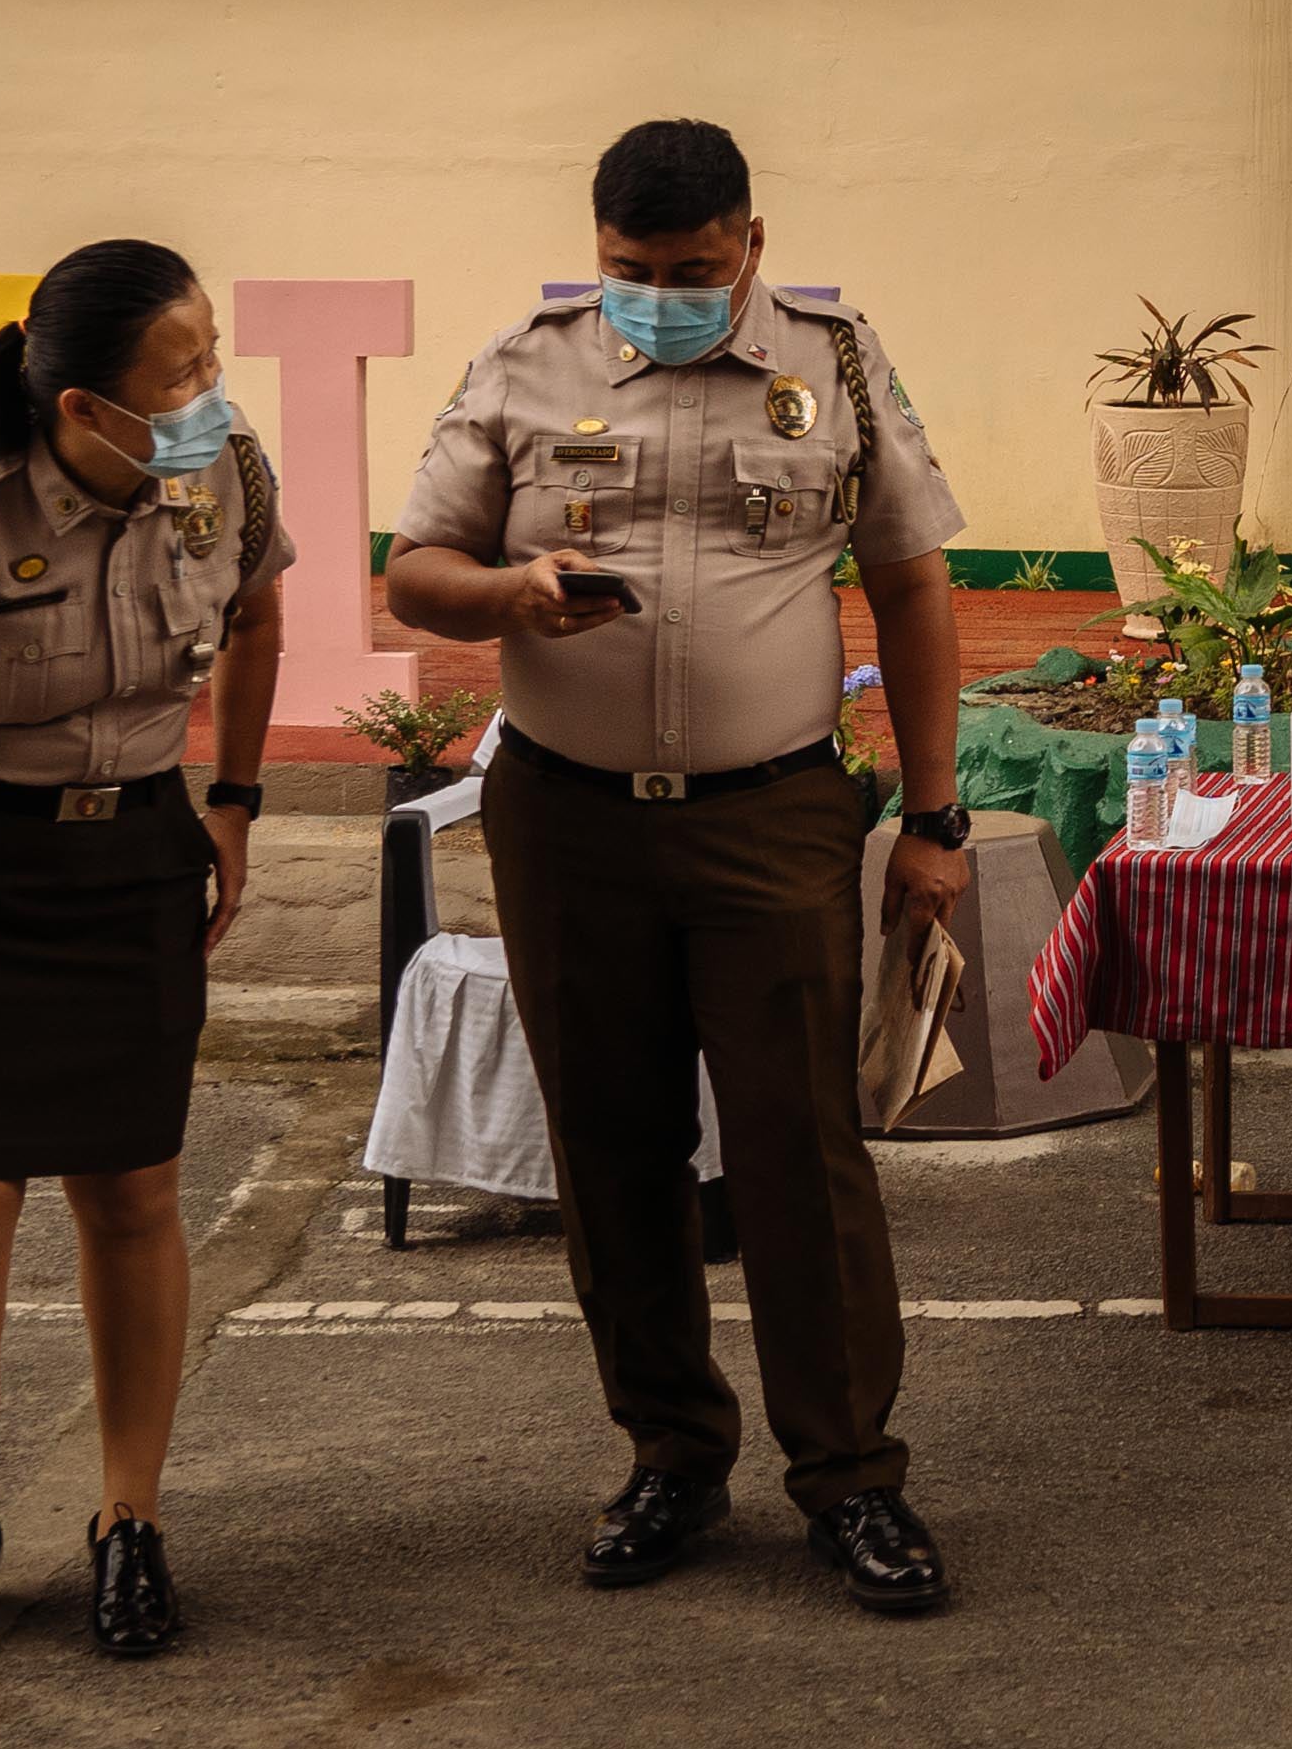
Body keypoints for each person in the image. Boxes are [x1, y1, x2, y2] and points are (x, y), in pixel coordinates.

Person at [383, 118, 973, 1615]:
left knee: (798, 1149)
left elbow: (909, 584)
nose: (658, 291)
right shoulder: (525, 362)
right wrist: (512, 587)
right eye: (629, 269)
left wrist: (935, 813)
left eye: (691, 269)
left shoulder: (833, 365)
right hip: (565, 817)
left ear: (751, 247)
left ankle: (850, 1478)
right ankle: (670, 1454)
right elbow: (413, 575)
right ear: (596, 252)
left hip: (768, 809)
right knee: (610, 1138)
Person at [0, 241, 290, 1673]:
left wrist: (233, 799)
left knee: (134, 1194)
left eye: (212, 355)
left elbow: (262, 611)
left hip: (133, 865)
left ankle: (126, 1522)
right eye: (183, 370)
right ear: (87, 404)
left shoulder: (223, 477)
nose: (212, 388)